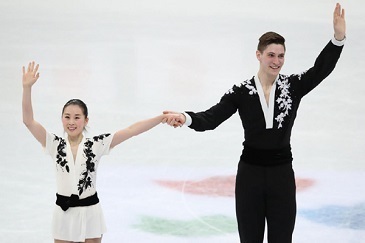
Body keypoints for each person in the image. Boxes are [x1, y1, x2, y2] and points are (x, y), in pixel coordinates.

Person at [163, 3, 346, 243]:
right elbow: (211, 118)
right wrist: (185, 118)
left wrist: (338, 39)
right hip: (250, 176)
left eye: (281, 56)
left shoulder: (293, 87)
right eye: (271, 55)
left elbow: (321, 69)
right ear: (258, 55)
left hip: (281, 175)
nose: (277, 61)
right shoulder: (241, 91)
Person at [22, 61, 180, 243]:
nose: (71, 121)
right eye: (67, 117)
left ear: (86, 120)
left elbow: (131, 130)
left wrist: (160, 118)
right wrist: (27, 89)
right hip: (63, 214)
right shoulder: (54, 144)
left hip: (90, 212)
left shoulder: (96, 144)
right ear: (62, 119)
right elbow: (29, 121)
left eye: (77, 117)